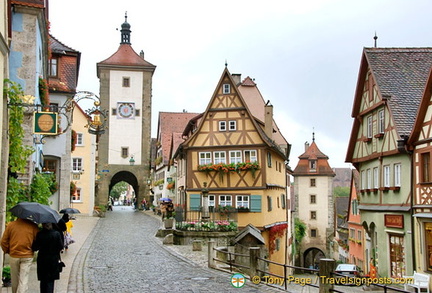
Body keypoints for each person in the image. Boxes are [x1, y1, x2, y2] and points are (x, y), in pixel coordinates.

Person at [1, 218, 39, 293]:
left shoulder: (11, 225)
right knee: (23, 279)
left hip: (14, 255)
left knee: (15, 279)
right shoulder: (33, 226)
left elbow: (3, 241)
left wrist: (8, 250)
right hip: (27, 255)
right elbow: (37, 240)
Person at [32, 222, 64, 293]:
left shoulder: (40, 234)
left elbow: (35, 247)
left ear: (43, 225)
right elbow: (61, 246)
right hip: (53, 259)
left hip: (42, 259)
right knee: (50, 280)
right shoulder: (56, 234)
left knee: (43, 280)